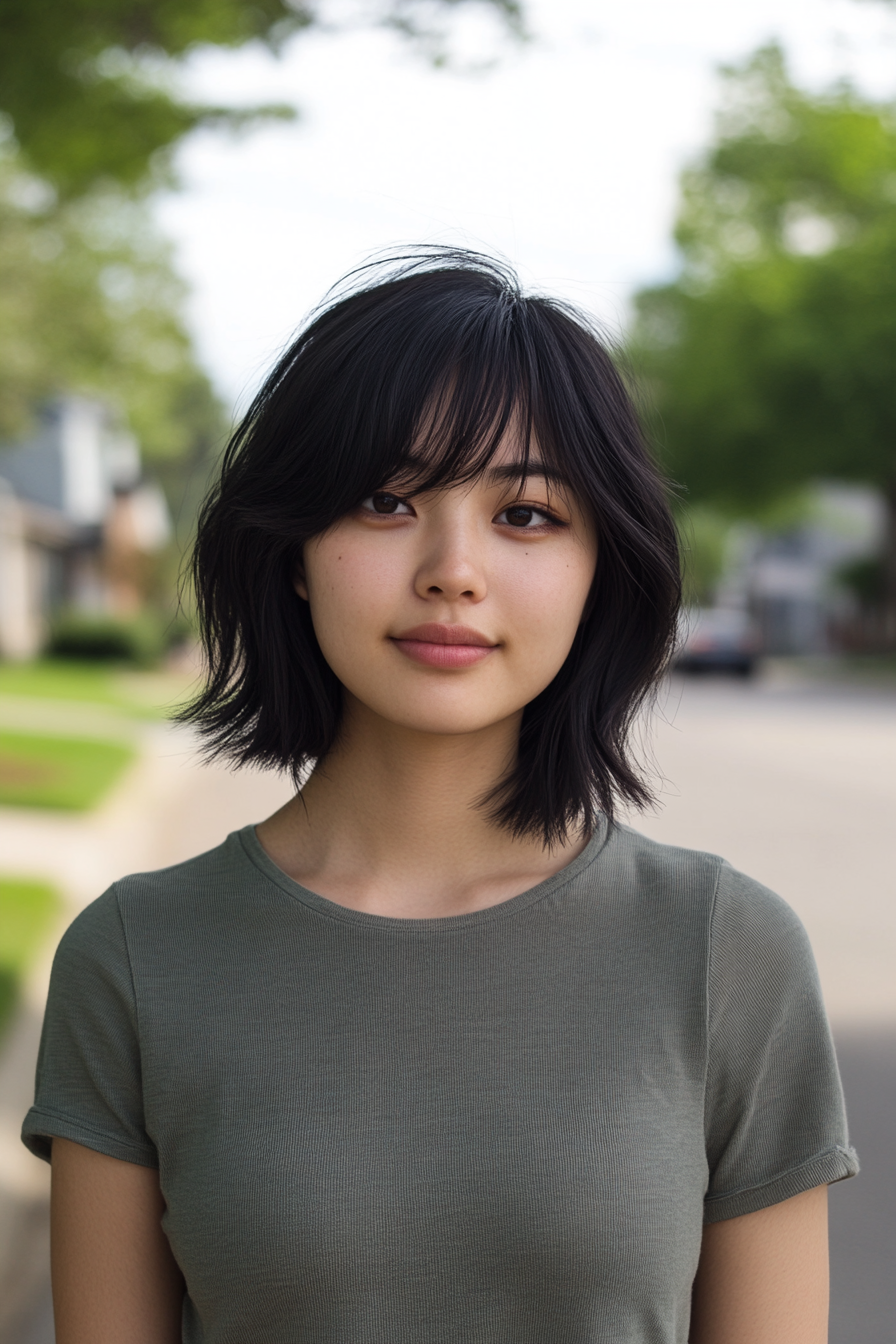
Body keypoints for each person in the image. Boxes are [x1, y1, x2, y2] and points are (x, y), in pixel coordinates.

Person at [23, 249, 857, 1344]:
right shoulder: (135, 957)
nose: (451, 568)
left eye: (526, 515)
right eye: (384, 500)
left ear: (599, 565)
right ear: (292, 550)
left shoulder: (723, 950)